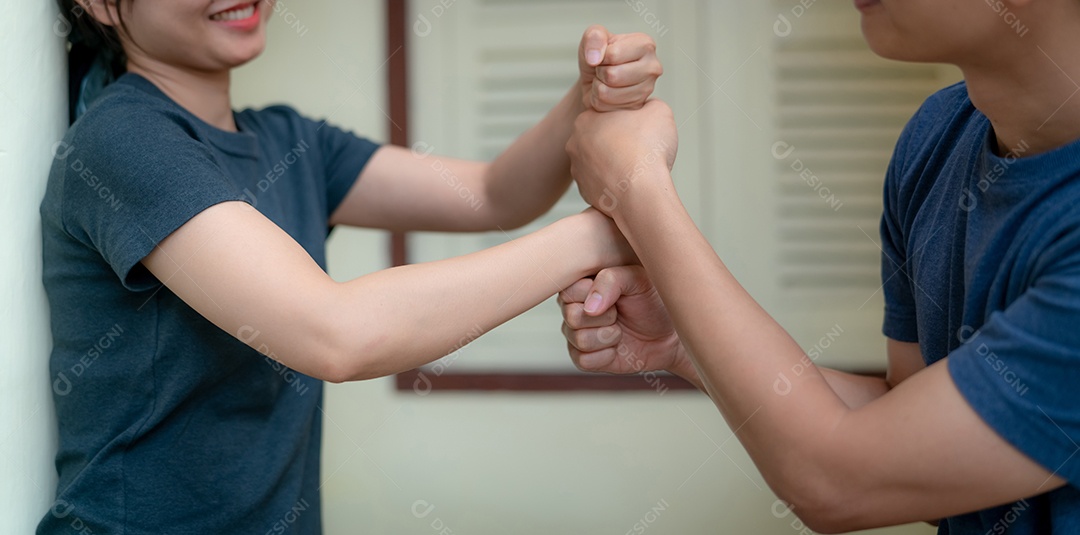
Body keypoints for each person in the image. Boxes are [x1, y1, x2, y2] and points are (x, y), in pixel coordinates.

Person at [40, 0, 662, 532]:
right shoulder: (122, 141)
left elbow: (497, 195)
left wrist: (589, 97)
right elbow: (336, 334)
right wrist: (604, 233)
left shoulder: (288, 141)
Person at [560, 0, 1080, 533]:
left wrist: (639, 189)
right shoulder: (937, 137)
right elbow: (904, 425)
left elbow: (842, 481)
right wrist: (681, 340)